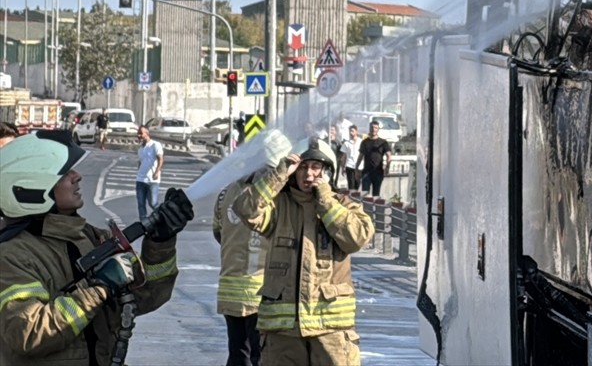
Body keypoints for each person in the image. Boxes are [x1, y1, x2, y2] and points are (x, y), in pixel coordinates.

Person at [0, 130, 194, 365]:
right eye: (65, 172)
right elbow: (28, 333)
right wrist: (99, 287)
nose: (77, 176)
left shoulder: (92, 238)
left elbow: (145, 298)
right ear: (32, 187)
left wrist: (160, 243)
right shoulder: (12, 256)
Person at [233, 136, 373, 365]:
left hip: (331, 331)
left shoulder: (343, 205)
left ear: (327, 172)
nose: (308, 174)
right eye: (302, 167)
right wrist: (279, 174)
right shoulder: (278, 206)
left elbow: (357, 238)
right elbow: (245, 209)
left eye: (316, 167)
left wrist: (326, 201)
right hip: (283, 334)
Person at [213, 130, 292, 366]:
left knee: (238, 355)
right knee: (262, 357)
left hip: (230, 290)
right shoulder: (277, 197)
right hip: (263, 291)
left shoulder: (226, 192)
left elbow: (218, 233)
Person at [355, 120, 391, 198]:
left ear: (378, 129)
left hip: (378, 172)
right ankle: (365, 206)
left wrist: (387, 167)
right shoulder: (364, 142)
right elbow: (360, 156)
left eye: (375, 128)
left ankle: (376, 205)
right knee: (365, 194)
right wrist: (356, 168)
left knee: (376, 195)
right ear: (369, 128)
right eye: (372, 127)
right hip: (366, 172)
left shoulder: (383, 142)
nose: (373, 129)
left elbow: (389, 155)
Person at [135, 125, 164, 223]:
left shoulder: (155, 145)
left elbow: (161, 159)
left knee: (153, 203)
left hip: (152, 180)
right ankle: (144, 223)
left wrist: (157, 172)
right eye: (138, 133)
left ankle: (163, 218)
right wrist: (139, 172)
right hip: (140, 180)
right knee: (141, 203)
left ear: (147, 134)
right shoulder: (140, 149)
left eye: (141, 133)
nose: (139, 135)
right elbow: (141, 162)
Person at [340, 125, 362, 192]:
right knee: (351, 185)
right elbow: (343, 157)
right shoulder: (346, 143)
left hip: (359, 167)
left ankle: (355, 196)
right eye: (349, 131)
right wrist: (342, 168)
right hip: (349, 166)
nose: (350, 132)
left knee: (357, 185)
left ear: (356, 131)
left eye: (352, 131)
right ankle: (352, 197)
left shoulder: (361, 142)